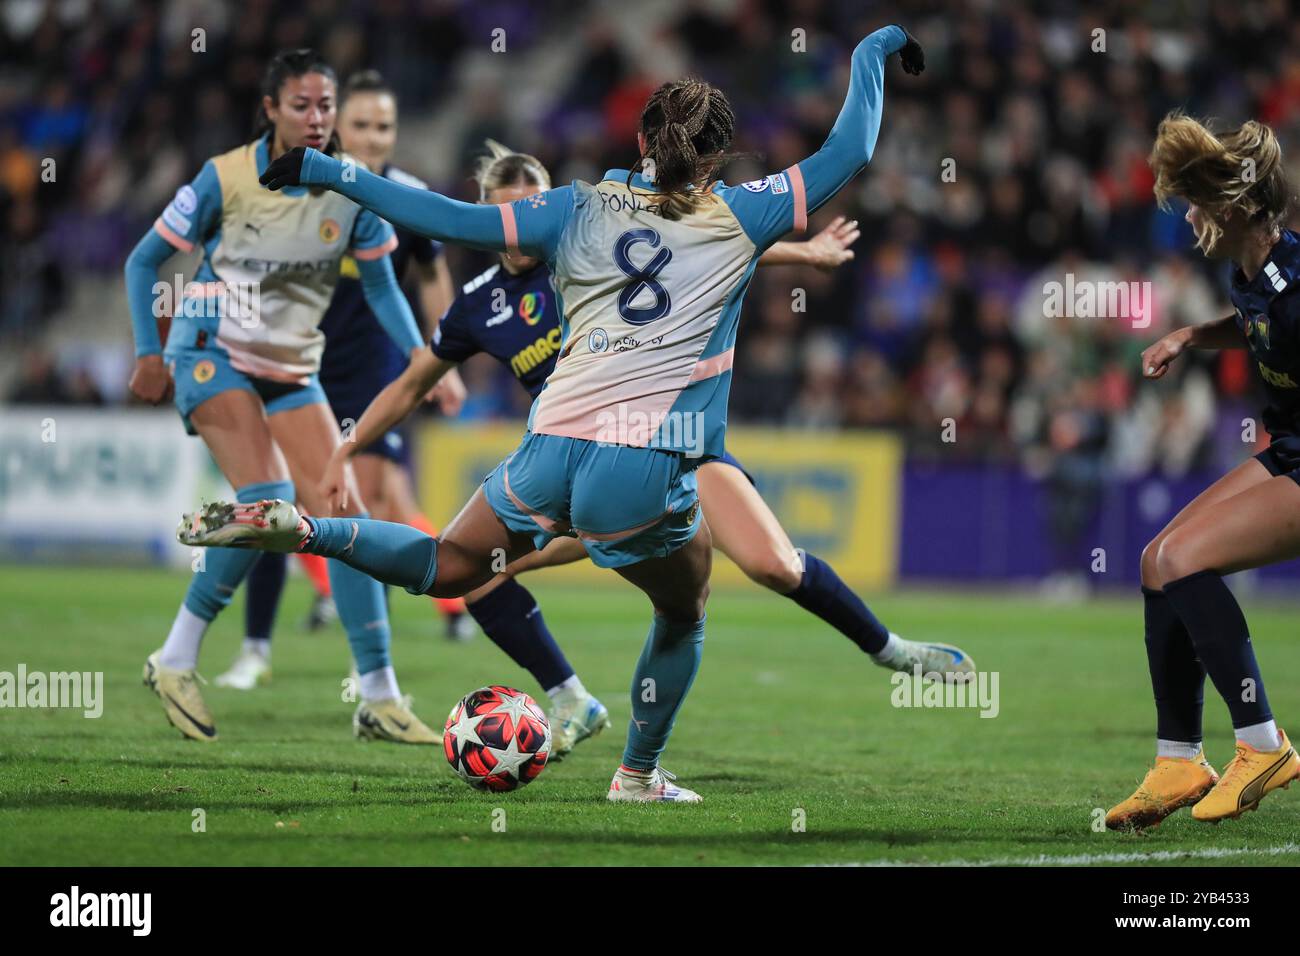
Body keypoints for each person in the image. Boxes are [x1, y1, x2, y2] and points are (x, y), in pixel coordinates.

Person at [183, 25, 927, 802]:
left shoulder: (571, 206)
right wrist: (875, 49)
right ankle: (637, 776)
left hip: (548, 448)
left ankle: (305, 531)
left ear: (640, 136)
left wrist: (332, 169)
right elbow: (852, 148)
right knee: (683, 611)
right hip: (641, 464)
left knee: (446, 563)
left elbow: (442, 217)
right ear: (715, 157)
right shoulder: (747, 213)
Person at [125, 49, 440, 744]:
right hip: (210, 352)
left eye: (324, 106)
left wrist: (422, 353)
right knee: (269, 492)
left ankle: (379, 696)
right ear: (270, 109)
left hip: (292, 368)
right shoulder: (225, 178)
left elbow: (386, 282)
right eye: (301, 105)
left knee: (342, 512)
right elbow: (144, 258)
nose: (316, 118)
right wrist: (150, 351)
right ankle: (176, 657)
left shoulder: (349, 188)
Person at [215, 70, 470, 694]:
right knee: (275, 499)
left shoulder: (406, 197)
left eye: (383, 126)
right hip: (298, 362)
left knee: (372, 500)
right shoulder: (300, 187)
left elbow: (433, 276)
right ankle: (255, 647)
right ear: (333, 128)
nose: (373, 137)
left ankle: (393, 646)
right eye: (360, 125)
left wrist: (442, 358)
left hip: (377, 368)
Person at [1106, 113, 1300, 830]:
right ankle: (1179, 760)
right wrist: (1191, 335)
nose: (1187, 215)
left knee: (1187, 560)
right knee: (1158, 560)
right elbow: (1250, 323)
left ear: (1233, 206)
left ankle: (1262, 745)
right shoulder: (1251, 270)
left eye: (1195, 203)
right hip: (1288, 448)